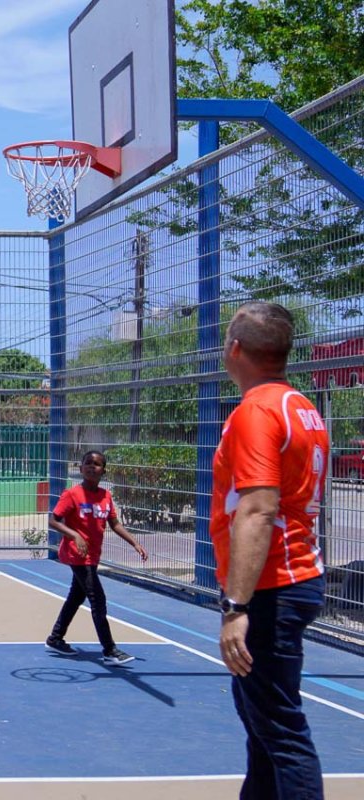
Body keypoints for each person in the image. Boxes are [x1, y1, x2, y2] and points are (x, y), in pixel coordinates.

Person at [213, 301, 328, 799]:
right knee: (262, 727)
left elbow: (259, 510)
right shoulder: (301, 407)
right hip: (294, 578)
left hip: (271, 590)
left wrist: (236, 607)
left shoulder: (256, 412)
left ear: (234, 350)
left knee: (281, 733)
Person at [44, 450, 148, 666]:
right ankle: (109, 650)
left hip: (93, 555)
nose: (92, 466)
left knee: (76, 597)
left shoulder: (105, 496)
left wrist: (134, 542)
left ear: (103, 470)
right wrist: (74, 535)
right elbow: (53, 520)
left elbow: (114, 523)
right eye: (88, 463)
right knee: (97, 600)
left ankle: (55, 638)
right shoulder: (72, 494)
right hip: (77, 554)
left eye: (97, 464)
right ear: (81, 468)